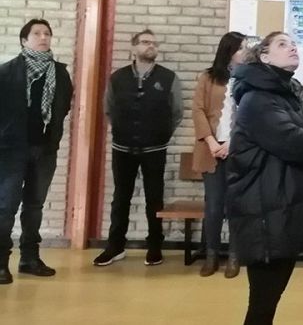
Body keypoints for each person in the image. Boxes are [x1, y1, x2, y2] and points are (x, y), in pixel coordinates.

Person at [227, 32, 303, 325]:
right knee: (262, 304)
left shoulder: (288, 95)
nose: (292, 48)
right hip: (264, 209)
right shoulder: (257, 99)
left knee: (269, 300)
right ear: (264, 57)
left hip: (285, 205)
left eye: (294, 44)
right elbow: (297, 142)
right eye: (282, 44)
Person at [94, 29, 183, 267]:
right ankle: (115, 246)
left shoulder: (168, 78)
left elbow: (176, 113)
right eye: (145, 42)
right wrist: (123, 130)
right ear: (134, 47)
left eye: (154, 43)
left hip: (155, 148)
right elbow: (108, 109)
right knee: (121, 198)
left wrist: (160, 134)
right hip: (123, 148)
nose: (151, 46)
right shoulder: (117, 77)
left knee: (154, 198)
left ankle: (155, 246)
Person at [0, 19, 73, 284]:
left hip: (44, 150)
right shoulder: (6, 72)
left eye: (47, 33)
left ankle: (29, 258)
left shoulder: (60, 74)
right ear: (24, 40)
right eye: (37, 33)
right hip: (10, 150)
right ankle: (0, 262)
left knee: (34, 206)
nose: (43, 37)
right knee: (6, 206)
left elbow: (63, 107)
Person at [191, 31, 246, 278]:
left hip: (238, 149)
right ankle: (211, 255)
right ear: (229, 51)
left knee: (236, 205)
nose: (245, 52)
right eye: (241, 48)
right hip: (210, 149)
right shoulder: (208, 77)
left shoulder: (249, 79)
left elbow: (251, 115)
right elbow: (198, 110)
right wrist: (212, 142)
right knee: (213, 205)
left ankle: (235, 255)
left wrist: (232, 143)